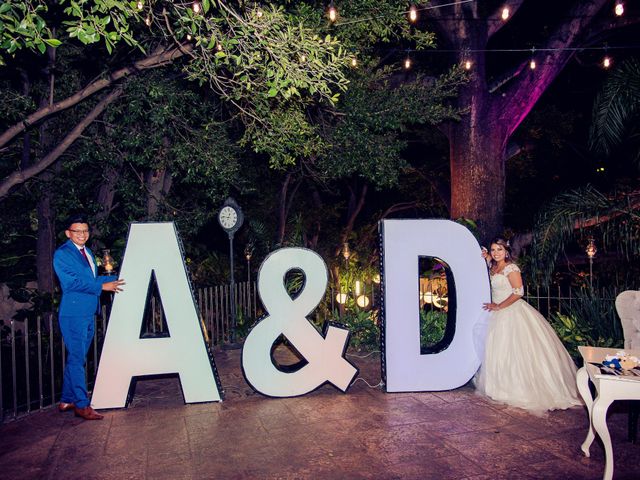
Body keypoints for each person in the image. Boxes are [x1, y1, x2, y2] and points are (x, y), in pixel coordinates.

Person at [475, 237, 582, 412]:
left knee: (517, 351)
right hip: (498, 315)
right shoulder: (493, 266)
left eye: (499, 250)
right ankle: (501, 387)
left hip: (511, 311)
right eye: (493, 250)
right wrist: (486, 256)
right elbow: (488, 262)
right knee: (501, 351)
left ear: (506, 251)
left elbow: (518, 292)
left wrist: (499, 306)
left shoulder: (511, 268)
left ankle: (522, 390)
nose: (496, 253)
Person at [53, 214, 125, 420]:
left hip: (87, 312)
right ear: (68, 233)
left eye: (85, 230)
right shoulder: (62, 254)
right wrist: (102, 286)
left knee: (78, 357)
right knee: (77, 359)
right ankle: (82, 406)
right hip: (73, 314)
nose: (82, 234)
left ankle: (67, 399)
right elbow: (71, 284)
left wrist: (120, 277)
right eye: (77, 231)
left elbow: (91, 279)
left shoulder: (88, 252)